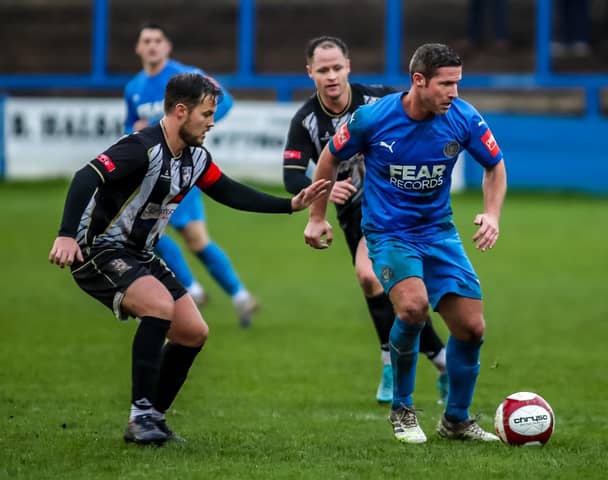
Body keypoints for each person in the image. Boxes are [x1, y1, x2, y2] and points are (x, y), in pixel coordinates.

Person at [49, 72, 330, 445]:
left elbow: (227, 190)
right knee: (158, 307)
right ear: (181, 111)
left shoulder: (195, 157)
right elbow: (87, 176)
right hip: (98, 249)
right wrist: (67, 234)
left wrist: (289, 206)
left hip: (140, 253)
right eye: (207, 114)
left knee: (193, 333)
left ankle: (154, 419)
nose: (212, 122)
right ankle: (140, 417)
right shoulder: (141, 147)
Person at [304, 43, 506, 444]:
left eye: (458, 83)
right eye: (446, 84)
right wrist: (316, 216)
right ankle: (402, 409)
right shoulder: (373, 119)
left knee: (471, 328)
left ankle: (457, 421)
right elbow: (328, 158)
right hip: (388, 233)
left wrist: (492, 214)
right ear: (419, 81)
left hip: (439, 233)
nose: (454, 93)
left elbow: (495, 166)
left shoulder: (463, 118)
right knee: (413, 309)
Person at [283, 36, 449, 405]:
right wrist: (322, 189)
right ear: (310, 73)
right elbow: (291, 174)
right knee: (395, 294)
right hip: (355, 215)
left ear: (349, 66)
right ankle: (441, 361)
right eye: (323, 70)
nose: (331, 76)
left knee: (371, 277)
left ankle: (392, 363)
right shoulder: (306, 120)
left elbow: (421, 116)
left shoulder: (380, 101)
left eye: (337, 67)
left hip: (399, 206)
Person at [125, 23, 258, 327]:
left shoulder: (186, 77)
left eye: (158, 40)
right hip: (151, 172)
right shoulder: (133, 88)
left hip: (182, 169)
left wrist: (196, 126)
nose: (152, 46)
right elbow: (130, 126)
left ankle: (237, 296)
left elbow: (224, 101)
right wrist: (134, 133)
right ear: (138, 48)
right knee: (148, 232)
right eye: (146, 40)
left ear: (167, 46)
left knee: (195, 240)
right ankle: (196, 291)